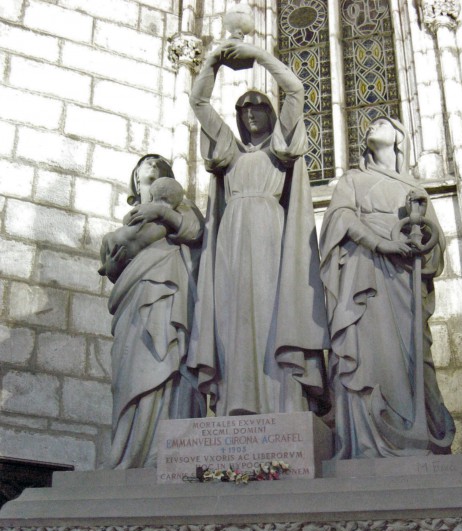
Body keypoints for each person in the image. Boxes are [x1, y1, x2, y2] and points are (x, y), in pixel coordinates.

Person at [188, 40, 329, 417]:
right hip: (231, 239)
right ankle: (237, 399)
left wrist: (260, 57)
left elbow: (296, 91)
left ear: (270, 112)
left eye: (258, 107)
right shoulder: (229, 151)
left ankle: (280, 401)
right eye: (243, 109)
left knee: (272, 310)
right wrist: (212, 63)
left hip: (271, 235)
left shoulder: (279, 147)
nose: (250, 114)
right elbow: (199, 103)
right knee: (232, 317)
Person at [319, 116, 455, 458]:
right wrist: (381, 243)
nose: (370, 126)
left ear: (398, 137)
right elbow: (340, 218)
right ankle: (365, 446)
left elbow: (435, 247)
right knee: (363, 353)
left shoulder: (415, 191)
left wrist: (417, 243)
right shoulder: (352, 180)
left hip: (402, 279)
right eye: (368, 125)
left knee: (413, 357)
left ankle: (419, 434)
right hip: (363, 273)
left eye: (380, 122)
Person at [100, 154, 205, 469]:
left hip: (169, 295)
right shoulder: (124, 226)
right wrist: (113, 265)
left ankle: (167, 451)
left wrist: (162, 212)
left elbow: (195, 231)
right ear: (134, 181)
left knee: (168, 363)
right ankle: (130, 452)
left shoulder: (181, 207)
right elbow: (112, 271)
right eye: (144, 165)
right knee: (130, 372)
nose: (150, 164)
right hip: (132, 301)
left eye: (157, 163)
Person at [100, 177, 186, 283]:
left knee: (106, 238)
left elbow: (126, 220)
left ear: (151, 195)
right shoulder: (168, 222)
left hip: (117, 239)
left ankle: (105, 266)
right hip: (133, 253)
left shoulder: (144, 207)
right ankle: (107, 267)